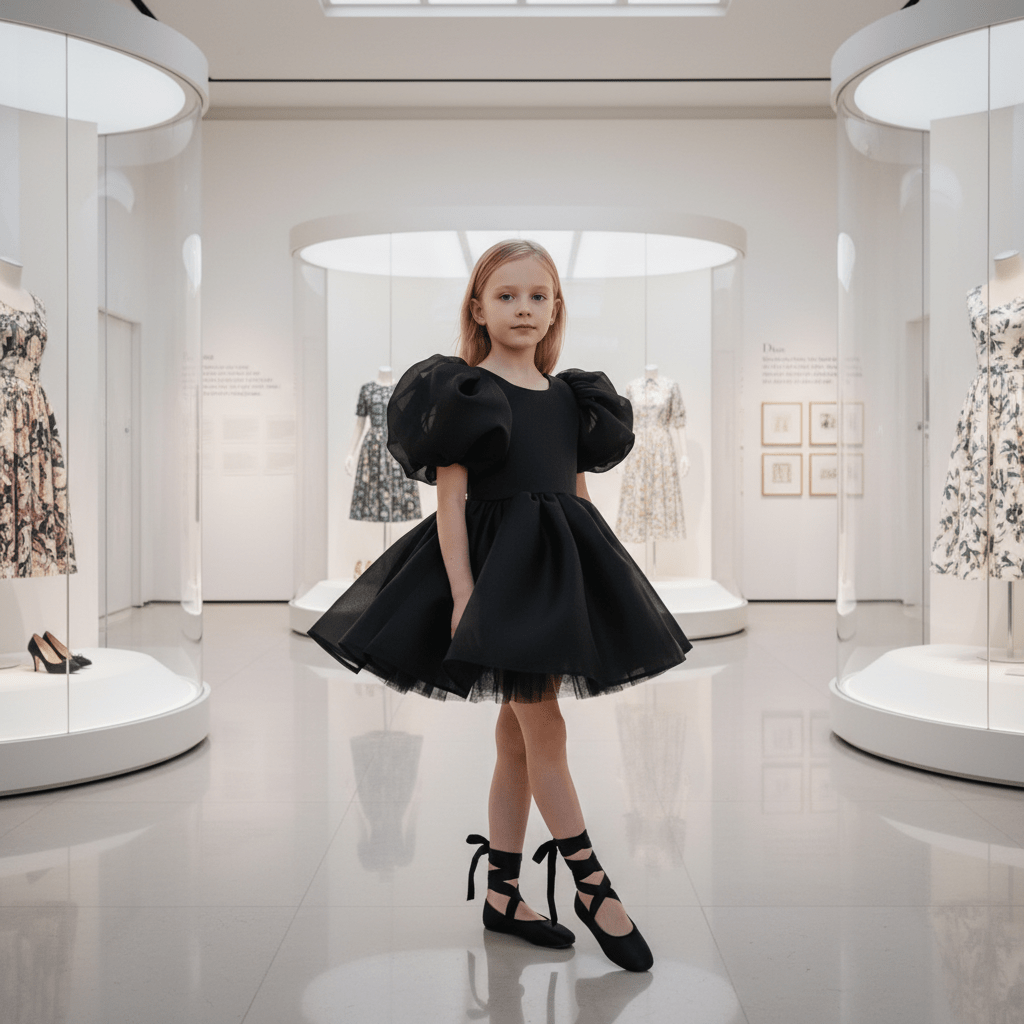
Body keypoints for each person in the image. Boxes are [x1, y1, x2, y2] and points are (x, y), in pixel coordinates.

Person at [309, 239, 692, 972]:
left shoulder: (574, 399)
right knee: (542, 725)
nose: (523, 309)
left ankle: (504, 894)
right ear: (478, 308)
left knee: (517, 737)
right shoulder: (464, 394)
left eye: (538, 296)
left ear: (556, 309)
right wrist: (463, 594)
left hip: (555, 573)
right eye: (508, 295)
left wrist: (601, 579)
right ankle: (591, 883)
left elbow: (576, 493)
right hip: (496, 577)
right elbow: (450, 502)